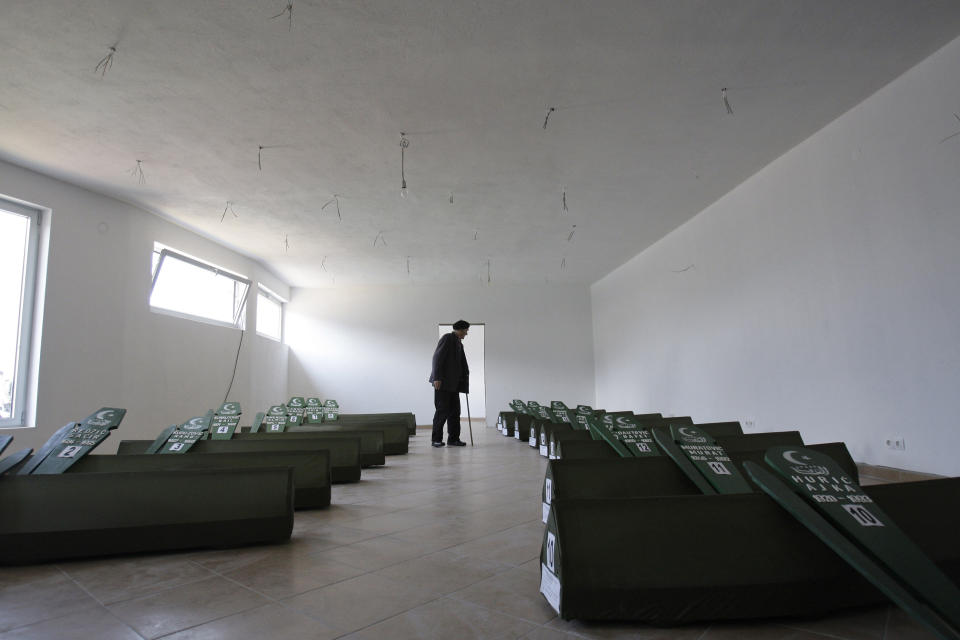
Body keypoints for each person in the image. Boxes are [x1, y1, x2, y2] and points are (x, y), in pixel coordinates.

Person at [429, 320, 470, 447]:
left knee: (455, 412)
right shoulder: (447, 338)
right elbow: (437, 358)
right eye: (465, 330)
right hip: (442, 384)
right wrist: (437, 377)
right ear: (460, 329)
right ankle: (436, 439)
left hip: (454, 385)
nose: (466, 333)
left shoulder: (458, 343)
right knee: (442, 411)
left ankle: (453, 439)